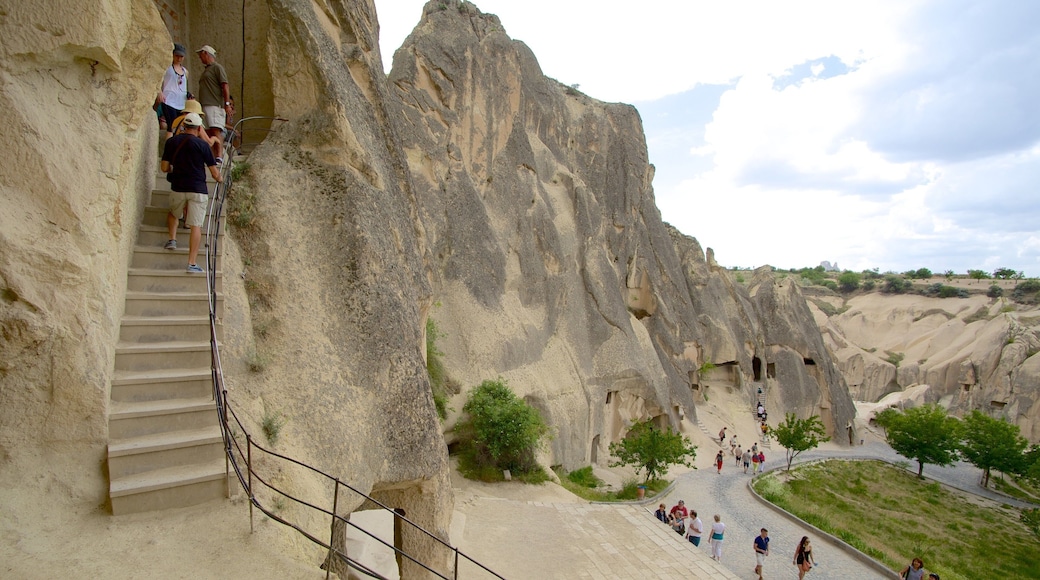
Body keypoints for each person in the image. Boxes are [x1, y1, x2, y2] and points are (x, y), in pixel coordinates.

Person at [161, 112, 222, 273]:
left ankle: (172, 240)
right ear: (199, 128)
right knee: (196, 225)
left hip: (178, 186)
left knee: (174, 213)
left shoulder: (172, 142)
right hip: (198, 189)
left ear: (184, 126)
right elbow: (214, 173)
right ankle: (191, 263)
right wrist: (222, 181)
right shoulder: (203, 146)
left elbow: (164, 168)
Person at [195, 45, 232, 163]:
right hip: (205, 104)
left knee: (216, 129)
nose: (200, 58)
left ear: (206, 53)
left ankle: (219, 155)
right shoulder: (208, 69)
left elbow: (225, 85)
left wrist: (226, 103)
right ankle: (211, 156)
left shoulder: (217, 67)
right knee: (208, 131)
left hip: (214, 104)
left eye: (201, 55)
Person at [157, 43, 189, 139]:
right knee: (171, 126)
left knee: (179, 127)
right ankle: (169, 150)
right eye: (177, 56)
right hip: (168, 100)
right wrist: (160, 92)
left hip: (181, 102)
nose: (179, 58)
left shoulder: (185, 71)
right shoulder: (166, 68)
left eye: (181, 56)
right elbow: (157, 81)